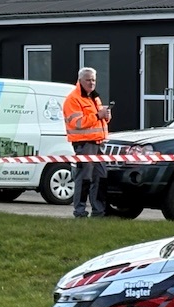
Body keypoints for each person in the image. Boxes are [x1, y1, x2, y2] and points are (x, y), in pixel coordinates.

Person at [63, 67, 111, 217]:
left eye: (94, 80)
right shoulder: (73, 99)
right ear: (80, 81)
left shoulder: (94, 97)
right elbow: (77, 123)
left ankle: (99, 212)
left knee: (100, 177)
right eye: (88, 80)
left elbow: (100, 121)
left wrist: (106, 115)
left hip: (97, 143)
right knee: (84, 179)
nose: (91, 83)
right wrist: (98, 115)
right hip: (84, 144)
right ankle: (80, 211)